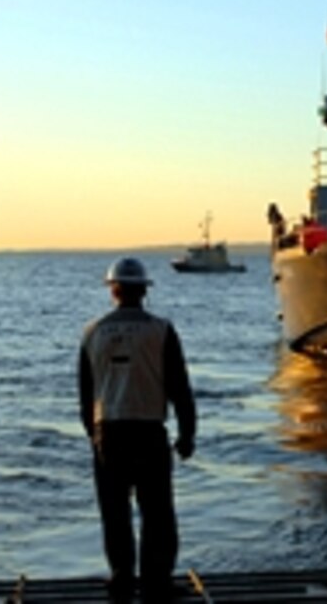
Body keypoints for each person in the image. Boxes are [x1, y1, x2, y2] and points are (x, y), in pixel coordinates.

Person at [79, 258, 197, 602]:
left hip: (109, 432)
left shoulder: (91, 332)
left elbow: (86, 394)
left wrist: (94, 436)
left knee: (114, 511)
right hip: (148, 432)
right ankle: (156, 581)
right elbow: (179, 387)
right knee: (157, 512)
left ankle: (121, 577)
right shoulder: (161, 330)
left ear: (112, 290)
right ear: (144, 290)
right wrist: (187, 434)